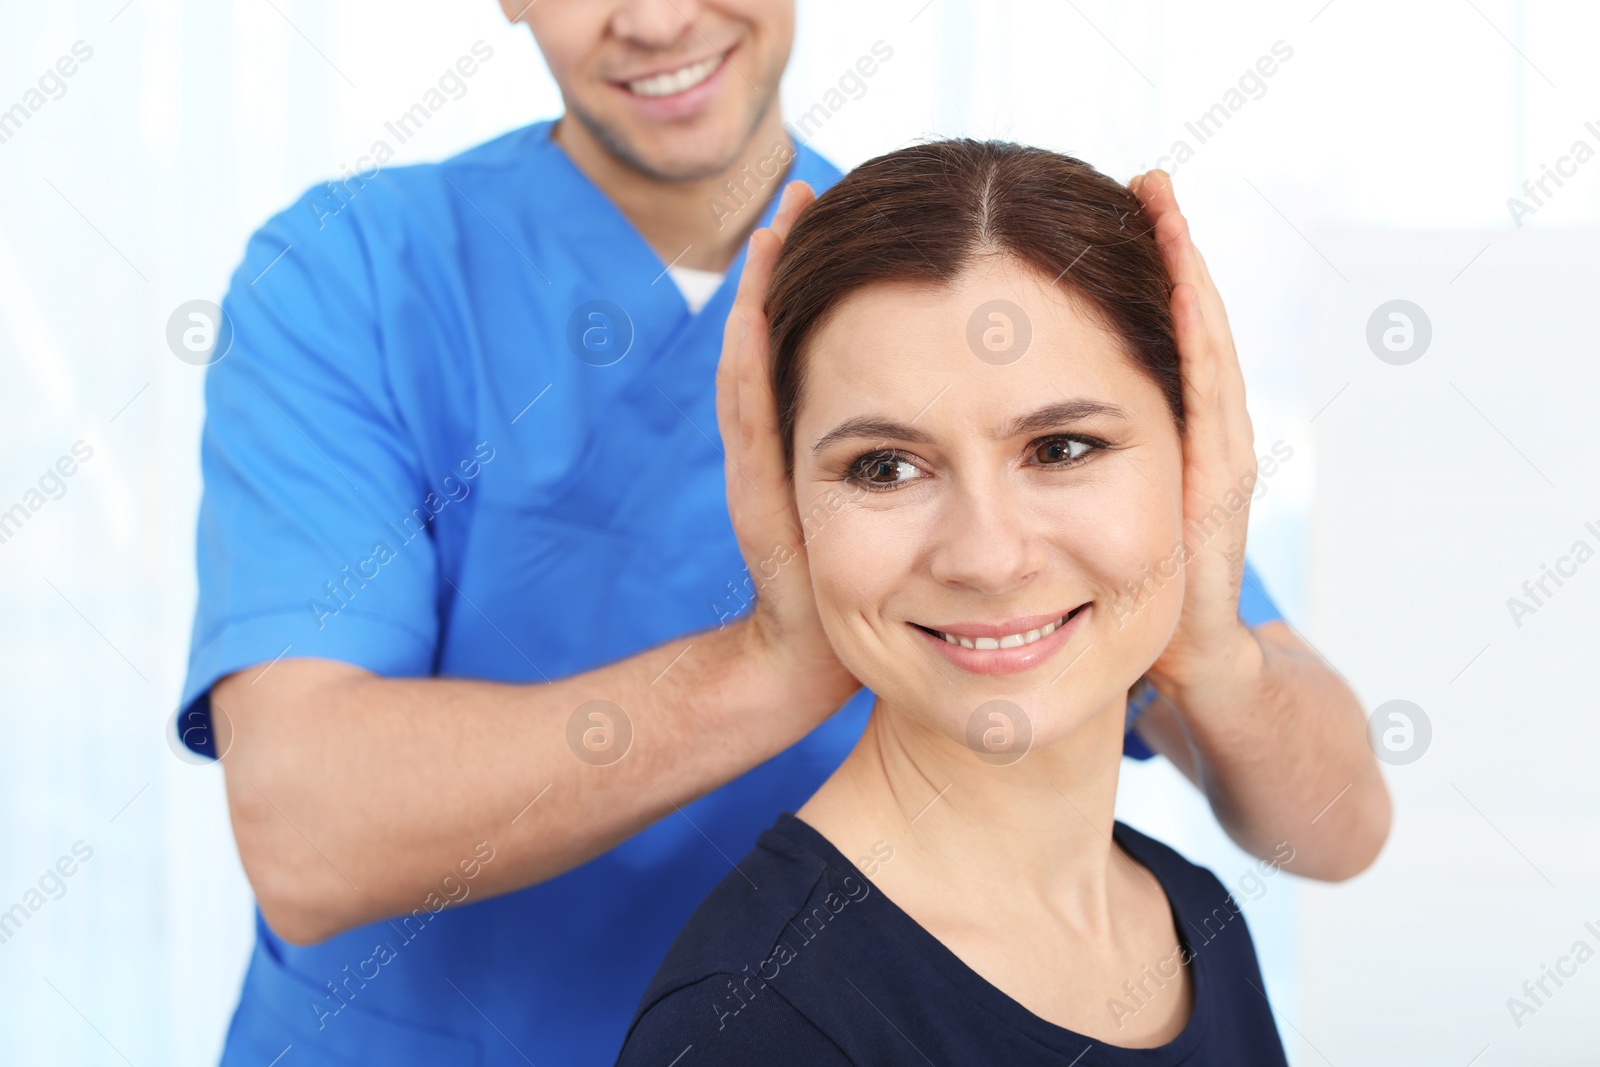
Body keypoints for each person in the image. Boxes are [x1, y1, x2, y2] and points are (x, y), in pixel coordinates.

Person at [177, 2, 1387, 1063]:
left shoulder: (922, 278)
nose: (654, 19)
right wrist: (777, 656)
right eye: (883, 465)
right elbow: (307, 827)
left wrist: (1205, 641)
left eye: (1058, 448)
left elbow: (1332, 821)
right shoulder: (357, 276)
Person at [616, 139, 1290, 1065]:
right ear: (785, 504)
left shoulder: (1195, 916)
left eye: (1061, 447)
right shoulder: (755, 1021)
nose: (987, 556)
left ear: (1201, 452)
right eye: (884, 468)